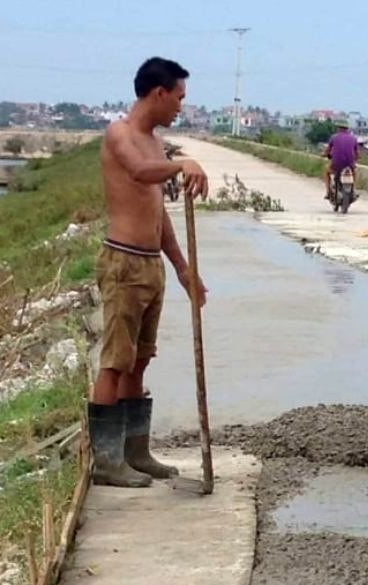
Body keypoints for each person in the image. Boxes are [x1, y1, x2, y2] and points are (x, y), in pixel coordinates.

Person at [89, 57, 209, 487]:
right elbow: (139, 174)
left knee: (139, 362)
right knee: (115, 363)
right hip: (122, 262)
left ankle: (135, 453)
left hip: (151, 264)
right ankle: (106, 462)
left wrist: (182, 268)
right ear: (158, 93)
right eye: (178, 97)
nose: (180, 106)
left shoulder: (157, 144)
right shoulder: (119, 134)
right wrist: (183, 165)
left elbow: (159, 214)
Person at [323, 120, 359, 200]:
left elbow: (327, 150)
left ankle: (328, 192)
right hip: (350, 164)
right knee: (355, 173)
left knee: (327, 171)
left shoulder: (334, 137)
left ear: (339, 128)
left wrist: (324, 154)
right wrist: (356, 159)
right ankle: (354, 190)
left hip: (336, 164)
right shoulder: (353, 138)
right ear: (347, 129)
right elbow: (357, 153)